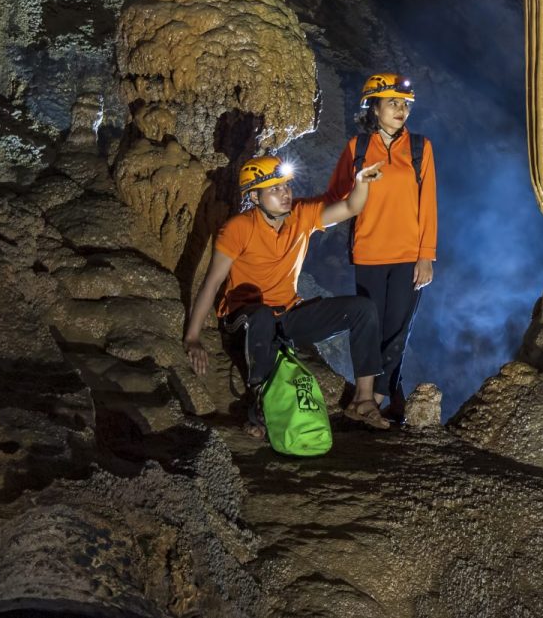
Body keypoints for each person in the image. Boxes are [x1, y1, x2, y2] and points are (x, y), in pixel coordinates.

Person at [183, 154, 393, 433]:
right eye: (274, 189)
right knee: (261, 316)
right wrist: (193, 337)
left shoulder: (301, 215)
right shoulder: (238, 229)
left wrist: (360, 182)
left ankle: (363, 401)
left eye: (285, 187)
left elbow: (351, 207)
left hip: (287, 315)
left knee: (362, 309)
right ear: (255, 198)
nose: (285, 194)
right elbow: (211, 283)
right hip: (244, 319)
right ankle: (260, 411)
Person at [323, 71, 437, 425]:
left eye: (405, 104)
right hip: (370, 252)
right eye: (392, 103)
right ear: (373, 108)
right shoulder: (356, 149)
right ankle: (372, 398)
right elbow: (337, 196)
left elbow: (429, 204)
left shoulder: (420, 148)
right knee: (369, 329)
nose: (401, 109)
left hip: (407, 256)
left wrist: (426, 255)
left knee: (396, 331)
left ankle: (374, 398)